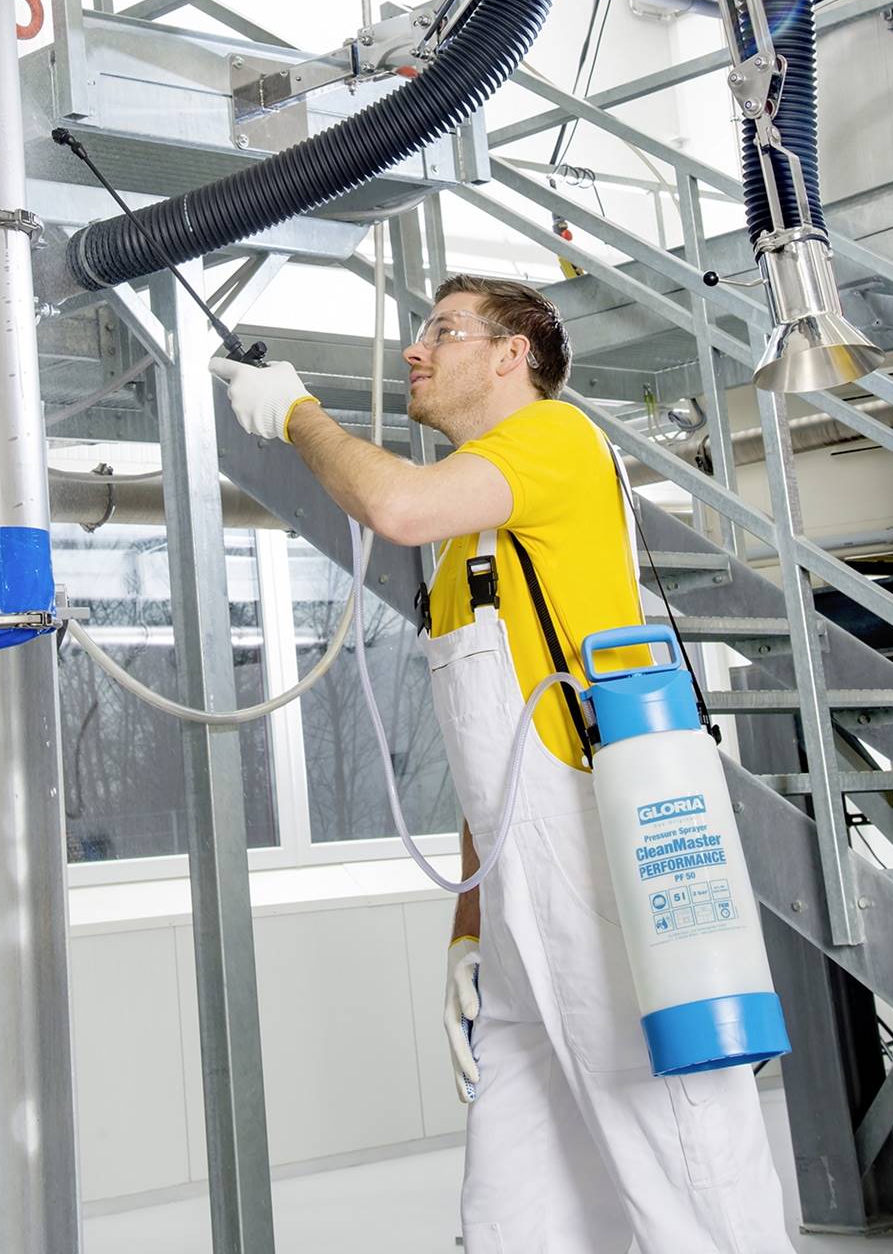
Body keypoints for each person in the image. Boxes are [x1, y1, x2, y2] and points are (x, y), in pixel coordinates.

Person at [211, 274, 792, 1254]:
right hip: (519, 900)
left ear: (512, 354)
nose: (415, 350)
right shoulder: (466, 543)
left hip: (598, 874)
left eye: (442, 330)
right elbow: (496, 759)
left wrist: (296, 412)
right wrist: (469, 931)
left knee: (688, 1170)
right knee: (514, 1211)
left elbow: (392, 503)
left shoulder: (555, 438)